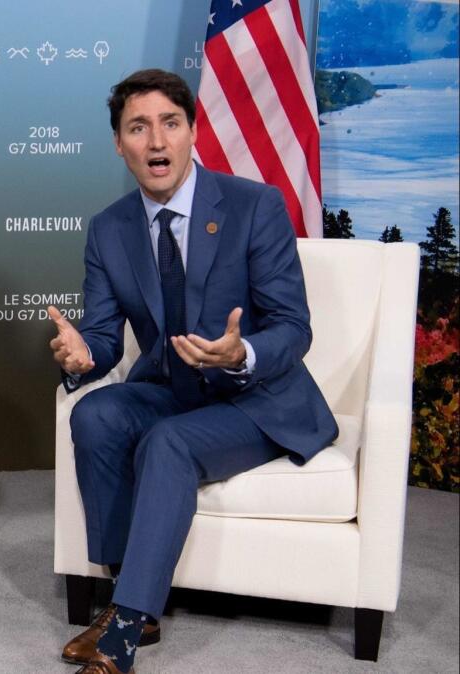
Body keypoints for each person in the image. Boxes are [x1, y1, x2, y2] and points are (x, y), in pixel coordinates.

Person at [47, 69, 337, 674]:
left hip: (254, 400)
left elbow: (292, 326)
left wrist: (242, 354)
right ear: (119, 144)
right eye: (138, 127)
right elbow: (103, 337)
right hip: (172, 390)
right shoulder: (109, 229)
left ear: (193, 132)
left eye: (170, 124)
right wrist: (85, 356)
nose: (156, 141)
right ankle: (132, 593)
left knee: (168, 442)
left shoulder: (255, 206)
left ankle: (122, 631)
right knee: (96, 412)